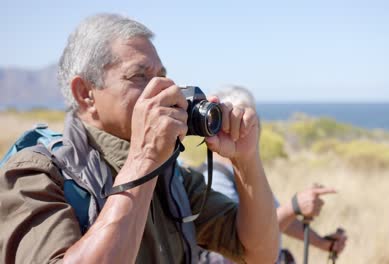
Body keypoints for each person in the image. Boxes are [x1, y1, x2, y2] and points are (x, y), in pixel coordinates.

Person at [0, 14, 279, 263]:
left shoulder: (173, 179)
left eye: (162, 77)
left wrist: (246, 161)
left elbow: (258, 253)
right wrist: (143, 159)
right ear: (85, 93)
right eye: (139, 76)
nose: (163, 90)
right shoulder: (34, 175)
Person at [197, 86, 347, 263]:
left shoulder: (243, 172)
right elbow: (244, 239)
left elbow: (272, 218)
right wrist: (294, 207)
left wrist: (323, 243)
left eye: (251, 117)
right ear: (216, 122)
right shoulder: (213, 179)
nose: (249, 124)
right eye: (237, 117)